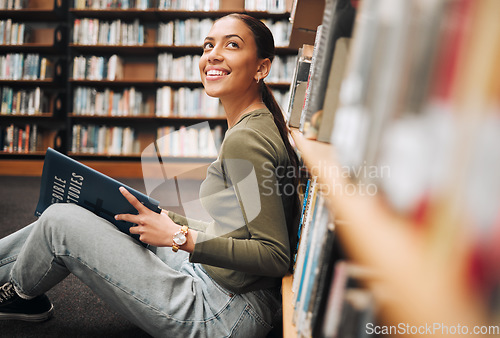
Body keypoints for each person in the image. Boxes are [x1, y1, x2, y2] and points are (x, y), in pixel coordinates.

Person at [0, 13, 299, 337]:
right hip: (225, 284)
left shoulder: (246, 138)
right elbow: (238, 230)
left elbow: (274, 255)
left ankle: (19, 294)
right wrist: (167, 219)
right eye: (208, 45)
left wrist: (178, 238)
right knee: (111, 210)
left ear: (262, 67)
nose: (213, 54)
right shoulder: (255, 124)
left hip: (225, 311)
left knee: (60, 223)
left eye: (232, 45)